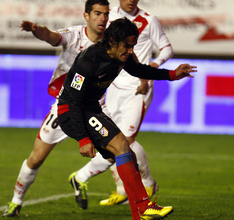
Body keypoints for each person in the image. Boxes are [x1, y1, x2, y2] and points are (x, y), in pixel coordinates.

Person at [57, 17, 196, 220]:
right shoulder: (89, 60)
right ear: (112, 40)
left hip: (91, 109)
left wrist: (173, 74)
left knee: (126, 155)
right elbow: (74, 103)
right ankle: (144, 206)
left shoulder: (122, 56)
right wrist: (83, 139)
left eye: (133, 46)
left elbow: (140, 70)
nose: (131, 51)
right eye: (127, 46)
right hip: (71, 111)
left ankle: (138, 215)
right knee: (122, 144)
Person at [2, 0, 111, 217]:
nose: (102, 18)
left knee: (114, 151)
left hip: (94, 109)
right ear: (86, 16)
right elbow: (51, 36)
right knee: (36, 158)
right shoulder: (73, 35)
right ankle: (16, 202)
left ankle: (80, 177)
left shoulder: (110, 42)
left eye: (106, 14)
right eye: (97, 13)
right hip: (65, 107)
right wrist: (36, 29)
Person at [69, 0, 174, 206]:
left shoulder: (149, 20)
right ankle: (122, 190)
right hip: (114, 86)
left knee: (125, 141)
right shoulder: (110, 18)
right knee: (116, 140)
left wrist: (152, 68)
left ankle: (145, 183)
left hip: (138, 87)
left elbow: (167, 49)